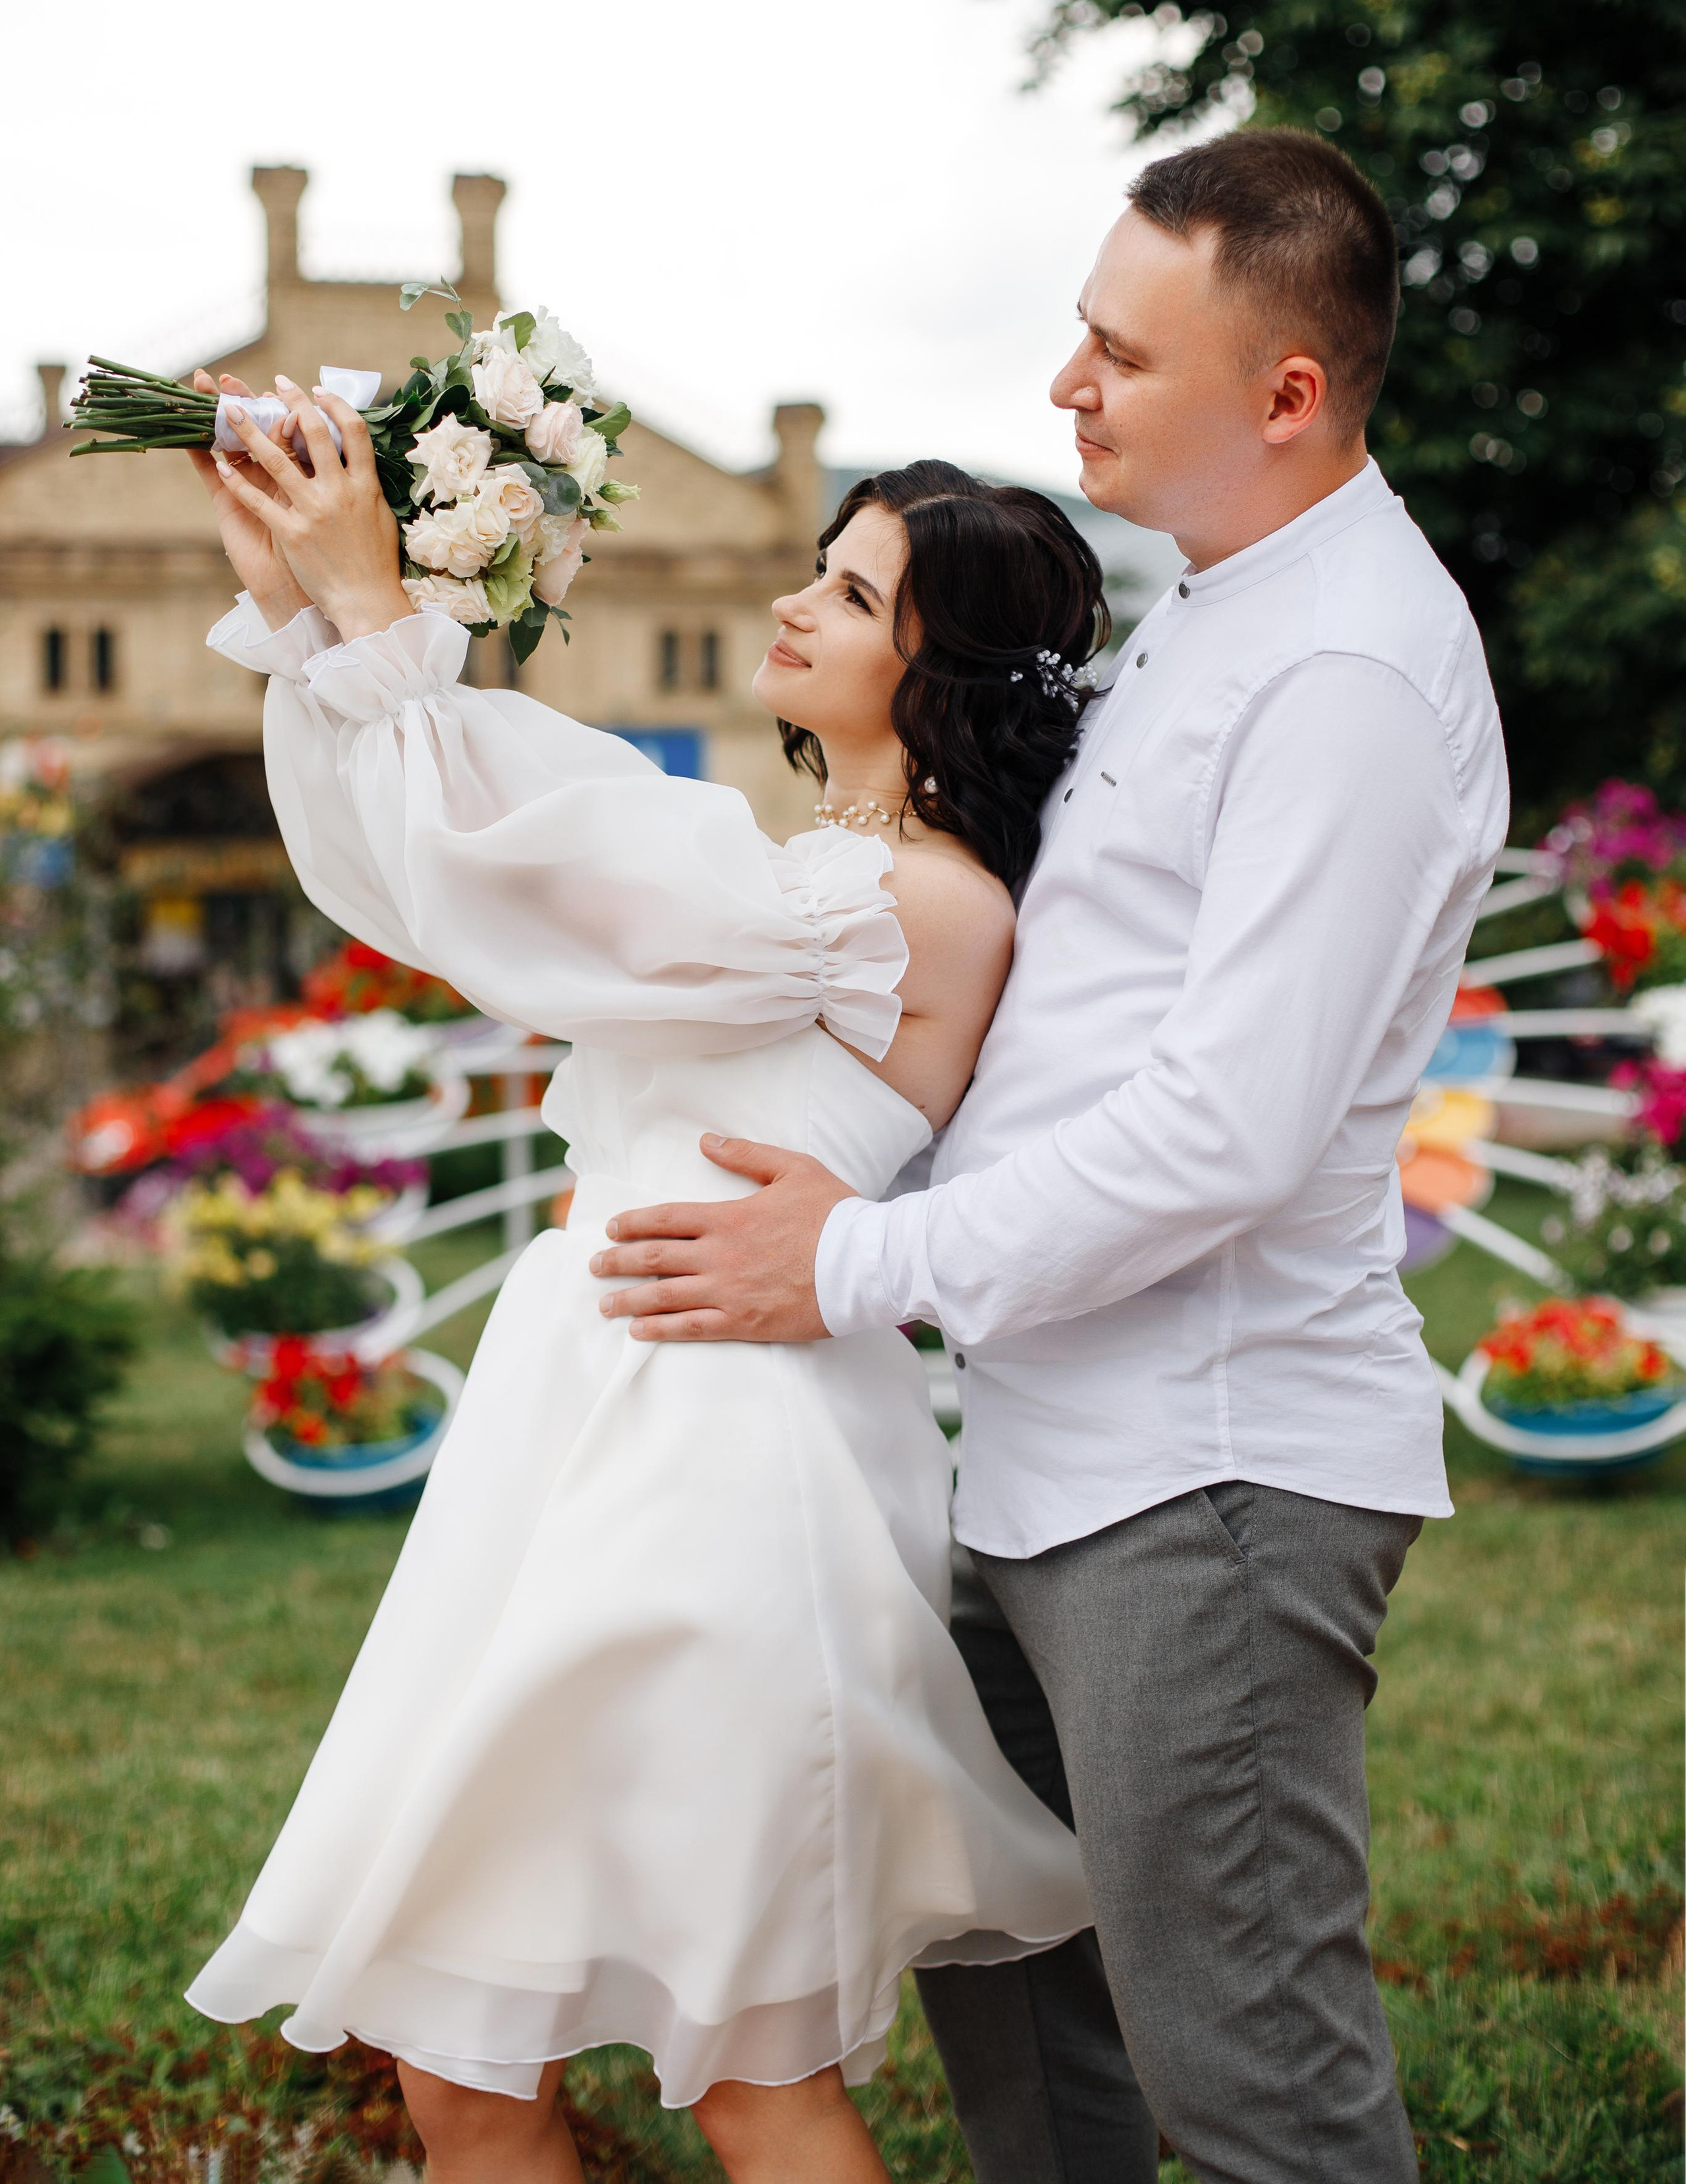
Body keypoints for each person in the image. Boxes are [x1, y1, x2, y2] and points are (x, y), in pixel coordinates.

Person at [591, 128, 1511, 2182]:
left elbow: (1228, 1130)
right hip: (1036, 1459)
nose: (1066, 384)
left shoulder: (1349, 670)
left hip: (1208, 1478)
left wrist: (846, 1264)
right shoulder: (1212, 611)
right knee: (1027, 2037)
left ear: (1287, 393)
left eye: (1124, 352)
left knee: (1247, 2081)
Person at [180, 386, 1104, 2182]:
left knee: (753, 2074)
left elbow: (542, 872)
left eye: (851, 594)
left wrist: (373, 610)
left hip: (731, 1466)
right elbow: (443, 883)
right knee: (459, 2070)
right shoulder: (799, 872)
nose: (792, 604)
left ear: (942, 670)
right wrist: (306, 613)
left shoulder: (918, 905)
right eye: (819, 571)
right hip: (579, 1433)